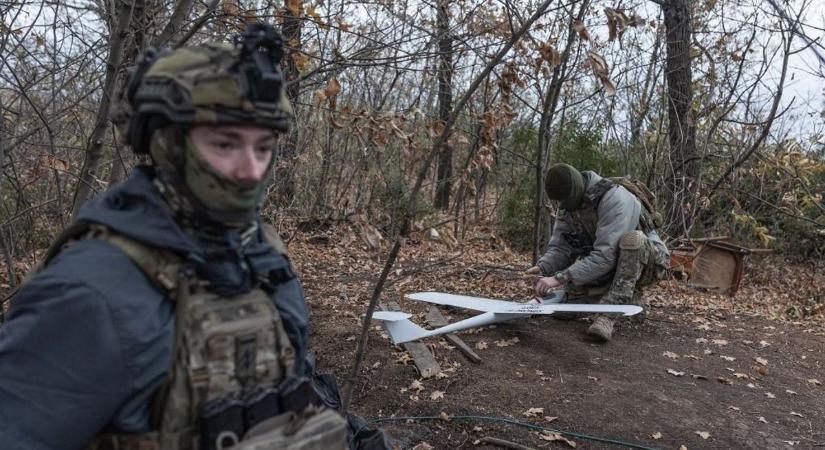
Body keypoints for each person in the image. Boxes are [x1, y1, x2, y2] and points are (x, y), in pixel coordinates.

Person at [0, 23, 387, 450]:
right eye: (225, 144)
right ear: (169, 144)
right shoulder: (89, 292)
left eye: (263, 148)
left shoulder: (260, 252)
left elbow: (287, 394)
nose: (251, 170)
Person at [527, 163, 670, 342]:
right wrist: (543, 267)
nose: (561, 206)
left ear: (576, 191)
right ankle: (631, 301)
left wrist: (559, 278)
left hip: (649, 261)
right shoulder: (568, 205)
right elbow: (561, 247)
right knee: (563, 310)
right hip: (608, 264)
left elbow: (605, 256)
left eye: (564, 201)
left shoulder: (615, 198)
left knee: (633, 240)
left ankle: (609, 314)